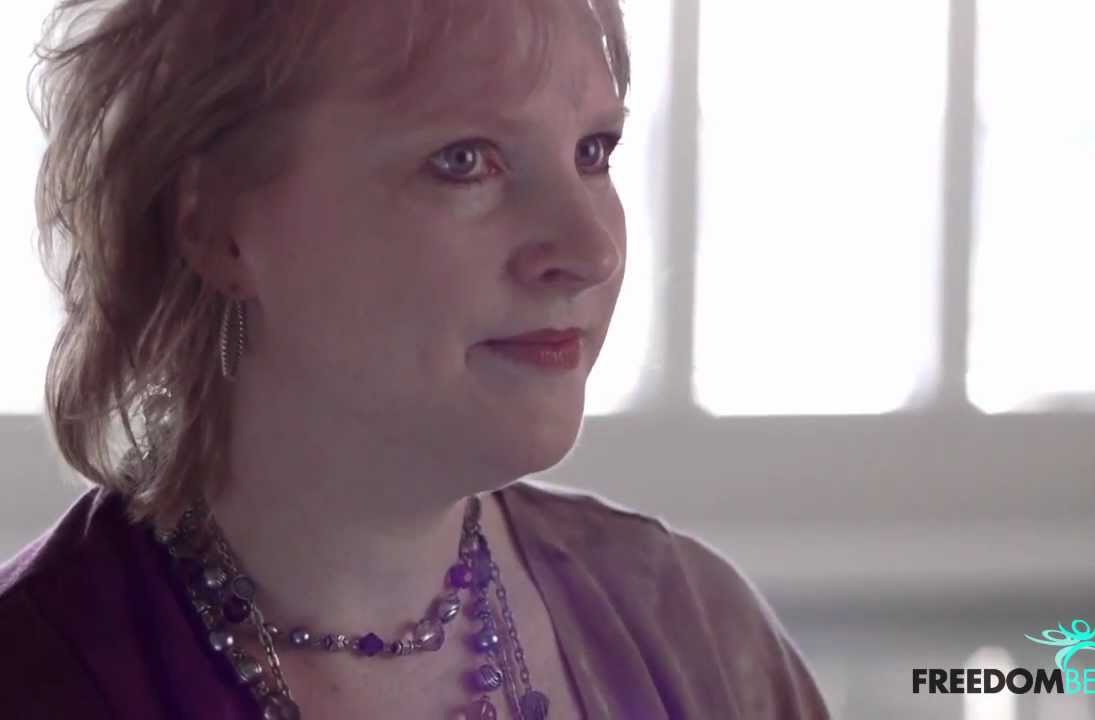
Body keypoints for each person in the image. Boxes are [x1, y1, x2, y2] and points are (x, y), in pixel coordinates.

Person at [0, 1, 832, 718]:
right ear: (217, 226)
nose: (591, 251)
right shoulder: (37, 674)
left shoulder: (697, 639)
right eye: (464, 160)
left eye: (594, 151)